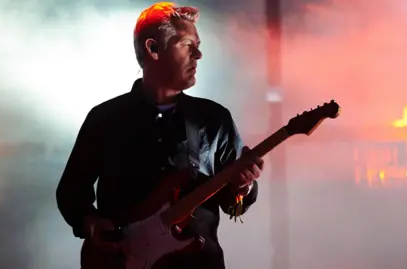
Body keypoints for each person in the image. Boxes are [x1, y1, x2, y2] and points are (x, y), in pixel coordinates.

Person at [56, 2, 264, 269]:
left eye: (197, 44)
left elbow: (234, 208)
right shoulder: (104, 118)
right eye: (186, 44)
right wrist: (91, 222)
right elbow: (71, 191)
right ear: (153, 49)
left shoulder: (214, 119)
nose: (198, 54)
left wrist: (242, 187)